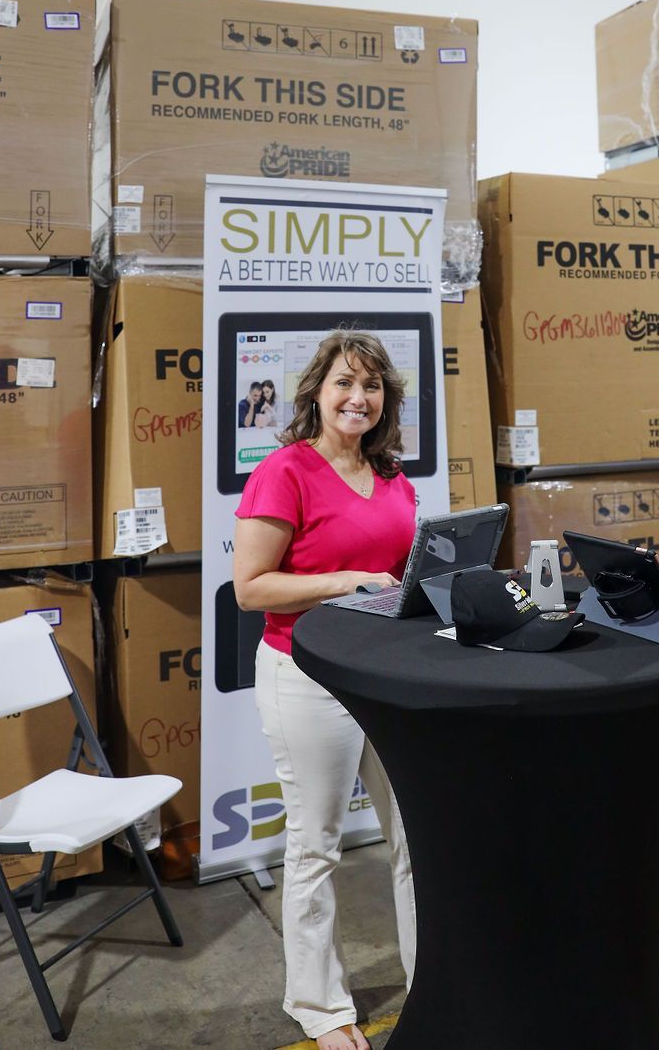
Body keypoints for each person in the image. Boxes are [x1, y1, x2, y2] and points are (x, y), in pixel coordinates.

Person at [232, 331, 417, 1050]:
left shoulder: (392, 474)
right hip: (307, 679)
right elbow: (251, 589)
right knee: (317, 846)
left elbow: (401, 571)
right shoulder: (286, 471)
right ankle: (319, 1006)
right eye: (345, 383)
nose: (358, 398)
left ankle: (436, 974)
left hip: (388, 679)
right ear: (317, 392)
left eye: (371, 386)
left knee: (418, 838)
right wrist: (347, 582)